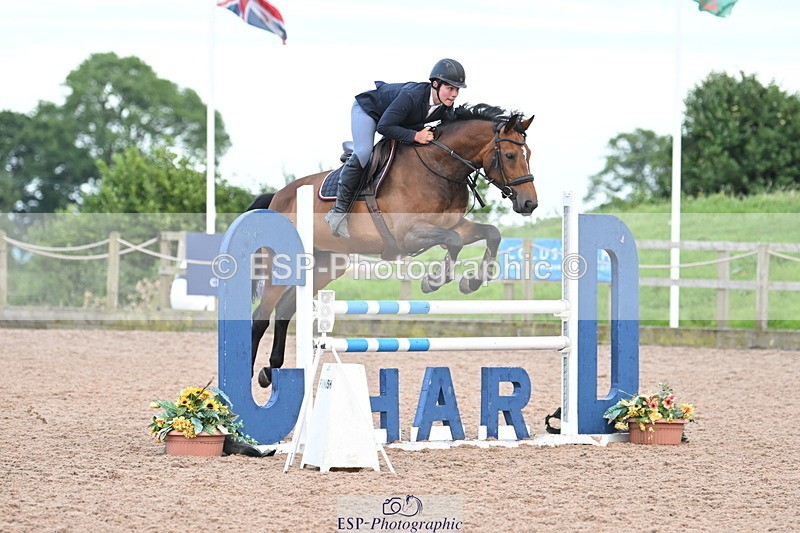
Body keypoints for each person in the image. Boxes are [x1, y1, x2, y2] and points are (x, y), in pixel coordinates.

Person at [325, 58, 467, 238]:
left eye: (457, 90)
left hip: (395, 119)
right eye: (450, 88)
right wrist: (415, 135)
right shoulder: (411, 96)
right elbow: (384, 127)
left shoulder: (445, 105)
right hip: (369, 111)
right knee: (364, 152)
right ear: (436, 84)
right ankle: (338, 212)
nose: (454, 94)